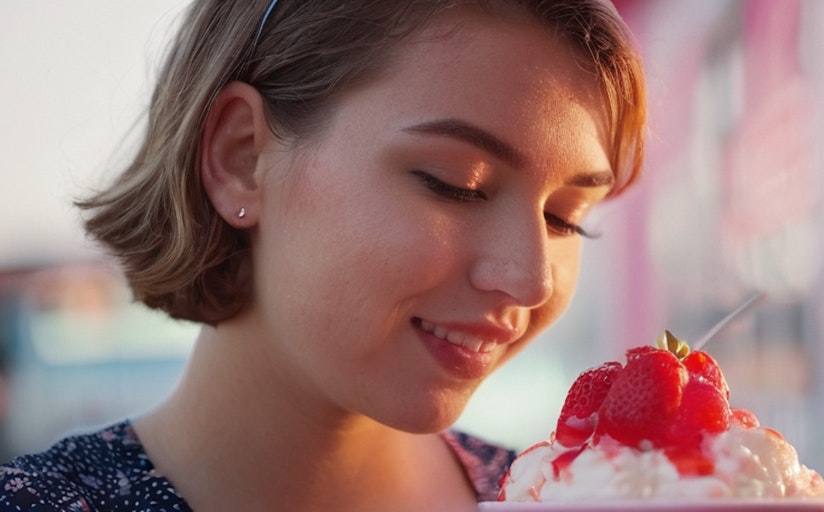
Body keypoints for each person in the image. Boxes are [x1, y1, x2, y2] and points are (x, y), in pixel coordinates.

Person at [0, 0, 646, 510]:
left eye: (566, 219)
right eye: (457, 184)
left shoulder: (551, 500)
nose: (530, 278)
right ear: (241, 157)